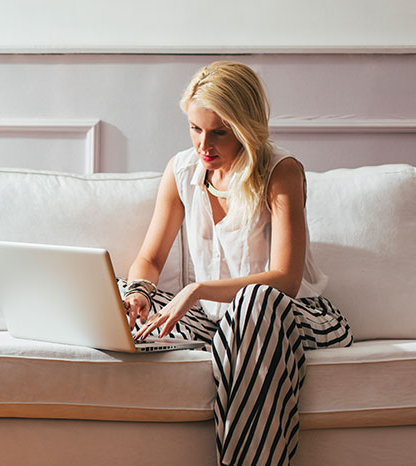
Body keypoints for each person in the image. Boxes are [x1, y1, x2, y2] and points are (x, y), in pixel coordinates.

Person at [117, 61, 353, 466]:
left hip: (294, 316)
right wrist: (139, 292)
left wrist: (198, 289)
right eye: (195, 128)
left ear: (245, 127)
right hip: (216, 322)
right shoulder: (182, 171)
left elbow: (285, 281)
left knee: (254, 304)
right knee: (119, 297)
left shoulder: (281, 172)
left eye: (219, 132)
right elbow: (150, 258)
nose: (203, 145)